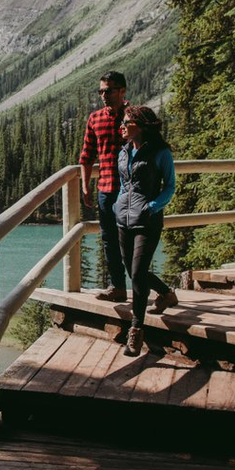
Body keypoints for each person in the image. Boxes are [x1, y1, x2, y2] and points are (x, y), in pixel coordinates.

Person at [79, 72, 176, 309]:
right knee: (109, 241)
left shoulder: (135, 116)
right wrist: (85, 186)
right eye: (101, 91)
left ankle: (154, 293)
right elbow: (86, 154)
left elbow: (154, 147)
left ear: (122, 91)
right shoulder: (95, 118)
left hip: (136, 193)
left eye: (109, 90)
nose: (104, 95)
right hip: (106, 188)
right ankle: (117, 287)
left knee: (134, 252)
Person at [114, 105, 176, 356]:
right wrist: (119, 206)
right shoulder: (124, 152)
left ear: (141, 125)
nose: (122, 127)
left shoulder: (160, 153)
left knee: (138, 274)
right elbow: (123, 185)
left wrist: (152, 206)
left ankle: (136, 331)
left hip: (147, 221)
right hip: (123, 220)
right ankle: (166, 293)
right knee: (132, 271)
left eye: (126, 123)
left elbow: (169, 186)